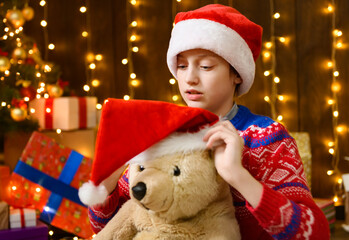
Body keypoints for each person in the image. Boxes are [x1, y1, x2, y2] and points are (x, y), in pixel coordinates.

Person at [87, 4, 330, 239]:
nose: (190, 78)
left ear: (236, 73)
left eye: (205, 66)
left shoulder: (266, 138)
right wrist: (107, 185)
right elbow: (106, 227)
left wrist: (237, 175)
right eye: (181, 66)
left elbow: (314, 234)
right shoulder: (159, 133)